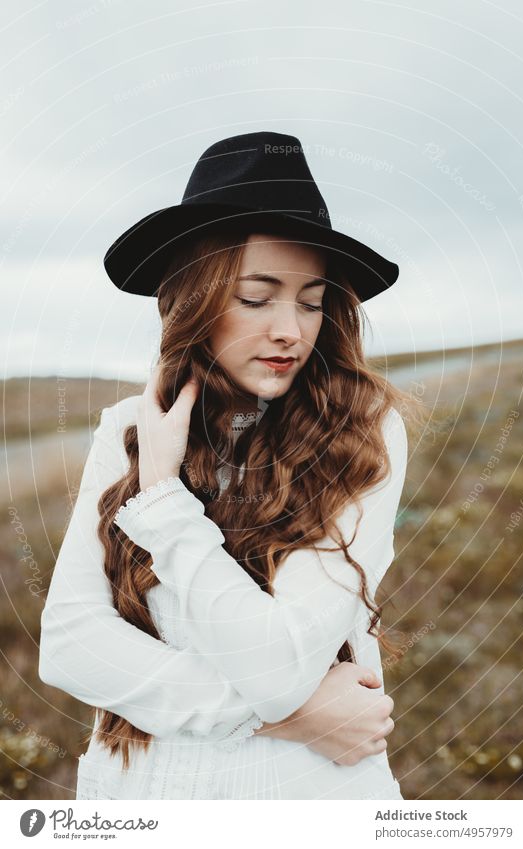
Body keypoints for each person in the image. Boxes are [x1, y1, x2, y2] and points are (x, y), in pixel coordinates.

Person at [39, 131, 418, 799]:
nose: (291, 330)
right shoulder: (128, 426)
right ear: (197, 298)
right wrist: (292, 718)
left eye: (310, 300)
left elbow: (279, 666)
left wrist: (162, 499)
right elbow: (71, 645)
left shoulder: (361, 434)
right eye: (256, 296)